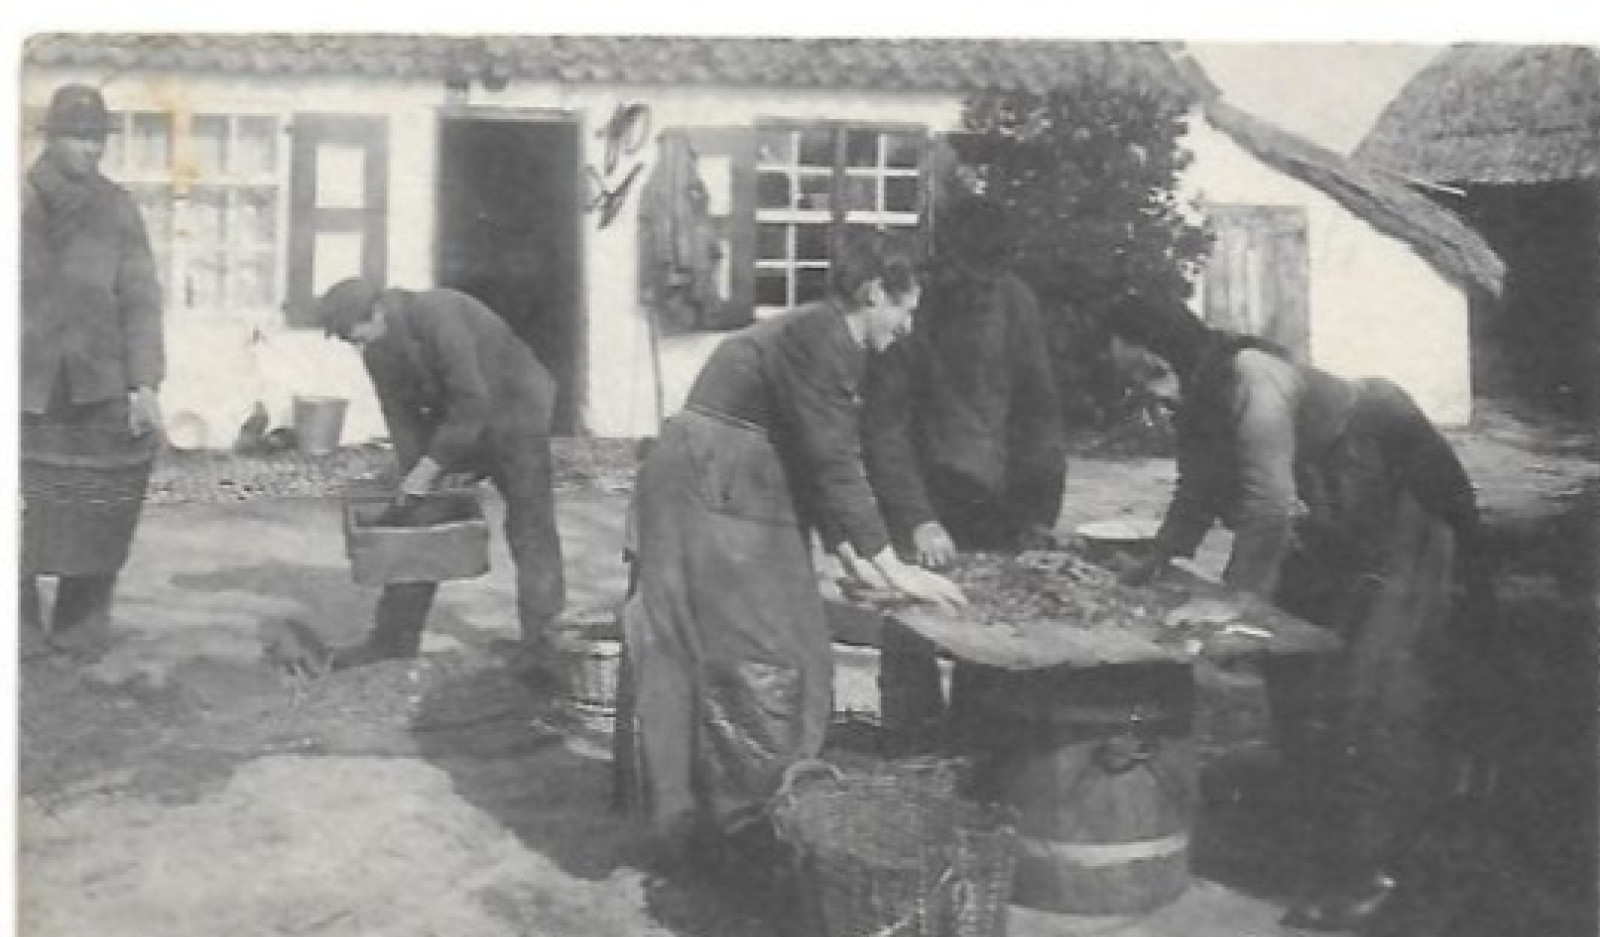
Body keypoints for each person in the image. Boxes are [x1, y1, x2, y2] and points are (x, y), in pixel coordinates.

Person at [1099, 291, 1495, 931]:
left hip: (1398, 504)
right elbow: (1197, 487)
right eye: (1137, 386)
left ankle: (1371, 872)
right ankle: (1325, 848)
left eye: (1153, 375)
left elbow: (1270, 508)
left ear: (1178, 353)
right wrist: (1159, 556)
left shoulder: (1253, 379)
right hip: (1334, 516)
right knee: (1294, 681)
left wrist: (1232, 602)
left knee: (1361, 689)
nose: (1155, 398)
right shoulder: (1198, 400)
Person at [619, 229, 966, 856]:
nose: (908, 327)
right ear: (871, 293)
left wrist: (850, 555)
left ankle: (753, 802)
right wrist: (893, 568)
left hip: (742, 479)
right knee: (752, 650)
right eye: (904, 308)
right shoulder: (823, 335)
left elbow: (813, 460)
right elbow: (834, 462)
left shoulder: (831, 341)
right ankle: (725, 820)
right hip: (711, 479)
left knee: (795, 643)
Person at [861, 195, 1067, 750]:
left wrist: (1039, 513)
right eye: (968, 275)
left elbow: (1039, 415)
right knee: (910, 627)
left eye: (990, 277)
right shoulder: (912, 311)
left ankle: (981, 748)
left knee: (995, 629)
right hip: (921, 493)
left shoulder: (1016, 304)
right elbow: (884, 427)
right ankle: (912, 750)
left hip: (992, 498)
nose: (979, 288)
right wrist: (917, 517)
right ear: (946, 259)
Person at [318, 278, 566, 680]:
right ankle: (393, 639)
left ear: (378, 311)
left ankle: (543, 647)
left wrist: (432, 465)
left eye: (355, 334)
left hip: (515, 413)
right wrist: (416, 475)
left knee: (530, 527)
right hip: (460, 420)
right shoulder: (377, 351)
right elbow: (401, 419)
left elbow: (473, 399)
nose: (356, 345)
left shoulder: (439, 313)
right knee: (418, 519)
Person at [21, 84, 165, 662]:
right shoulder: (18, 203)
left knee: (101, 505)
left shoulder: (116, 207)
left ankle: (81, 627)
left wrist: (145, 383)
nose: (91, 151)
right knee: (22, 506)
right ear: (51, 139)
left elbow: (140, 298)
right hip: (26, 385)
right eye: (78, 138)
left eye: (98, 139)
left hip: (98, 381)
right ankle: (20, 630)